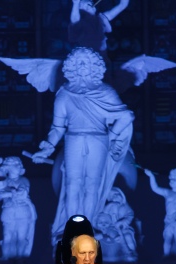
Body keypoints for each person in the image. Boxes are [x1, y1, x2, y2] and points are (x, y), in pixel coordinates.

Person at [30, 46, 136, 245]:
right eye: (79, 63)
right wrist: (48, 146)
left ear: (95, 66)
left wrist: (111, 135)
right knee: (72, 184)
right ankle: (74, 228)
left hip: (99, 139)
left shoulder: (105, 92)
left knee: (92, 185)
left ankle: (88, 226)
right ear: (72, 67)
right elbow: (57, 126)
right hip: (74, 139)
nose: (83, 67)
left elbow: (126, 115)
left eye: (87, 63)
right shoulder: (64, 94)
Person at [0, 156, 37, 260]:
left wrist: (4, 194)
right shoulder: (3, 181)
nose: (16, 168)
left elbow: (22, 193)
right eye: (13, 165)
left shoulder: (23, 180)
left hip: (22, 211)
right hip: (8, 210)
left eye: (17, 166)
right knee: (7, 236)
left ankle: (20, 261)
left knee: (21, 237)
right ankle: (6, 258)